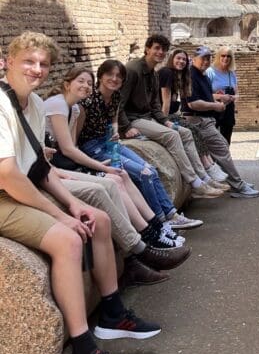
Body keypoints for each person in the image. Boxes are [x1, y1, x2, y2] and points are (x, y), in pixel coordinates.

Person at [0, 32, 160, 354]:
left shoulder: (34, 104)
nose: (36, 69)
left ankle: (112, 313)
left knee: (97, 218)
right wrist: (59, 217)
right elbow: (7, 173)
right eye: (28, 61)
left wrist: (73, 205)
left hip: (21, 186)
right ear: (8, 61)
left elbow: (39, 167)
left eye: (43, 64)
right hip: (3, 194)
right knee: (68, 240)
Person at [43, 67, 191, 284]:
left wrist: (100, 166)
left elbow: (71, 148)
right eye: (80, 81)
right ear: (67, 83)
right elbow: (67, 149)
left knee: (121, 176)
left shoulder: (74, 109)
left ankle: (155, 230)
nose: (85, 86)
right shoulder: (57, 104)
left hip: (63, 162)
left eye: (87, 82)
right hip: (55, 165)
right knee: (112, 180)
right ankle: (146, 244)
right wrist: (101, 168)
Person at [78, 60, 202, 231]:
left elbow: (113, 120)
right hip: (93, 148)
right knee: (143, 174)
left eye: (118, 76)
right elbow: (77, 136)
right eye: (110, 75)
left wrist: (114, 132)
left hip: (110, 143)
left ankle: (171, 215)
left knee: (150, 168)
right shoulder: (88, 101)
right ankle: (160, 221)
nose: (114, 79)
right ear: (100, 76)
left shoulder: (115, 96)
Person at [118, 34, 223, 198]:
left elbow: (155, 106)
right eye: (156, 48)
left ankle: (203, 177)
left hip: (146, 117)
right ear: (147, 49)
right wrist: (126, 127)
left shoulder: (153, 73)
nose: (160, 52)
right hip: (133, 119)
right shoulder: (133, 69)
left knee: (186, 133)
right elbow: (118, 102)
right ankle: (194, 183)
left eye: (163, 49)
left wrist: (165, 121)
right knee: (172, 136)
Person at [183, 46, 259, 198]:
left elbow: (206, 97)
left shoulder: (203, 75)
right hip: (198, 119)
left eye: (207, 58)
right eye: (202, 58)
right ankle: (238, 185)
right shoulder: (191, 76)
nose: (205, 61)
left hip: (207, 118)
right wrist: (215, 104)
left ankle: (233, 182)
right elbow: (193, 103)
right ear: (194, 59)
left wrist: (220, 99)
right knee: (222, 150)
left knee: (223, 146)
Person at [158, 48, 228, 182]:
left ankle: (210, 168)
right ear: (171, 58)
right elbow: (166, 102)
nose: (181, 61)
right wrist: (164, 122)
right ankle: (206, 172)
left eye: (184, 59)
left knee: (195, 131)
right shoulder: (167, 73)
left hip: (172, 114)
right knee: (190, 132)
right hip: (164, 115)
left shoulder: (179, 76)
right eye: (178, 58)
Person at [205, 46, 239, 144]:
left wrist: (233, 97)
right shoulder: (210, 72)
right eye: (223, 55)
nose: (225, 58)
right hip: (213, 110)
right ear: (218, 56)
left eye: (228, 56)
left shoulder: (231, 73)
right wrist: (220, 96)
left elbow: (237, 94)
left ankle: (225, 159)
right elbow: (204, 95)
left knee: (226, 140)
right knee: (212, 141)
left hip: (228, 110)